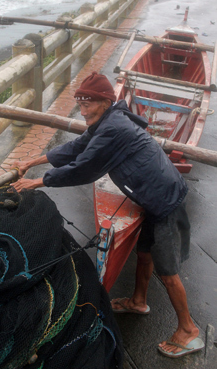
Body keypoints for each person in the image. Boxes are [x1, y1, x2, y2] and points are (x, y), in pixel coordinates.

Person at [12, 71, 204, 359]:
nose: (82, 109)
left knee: (168, 271)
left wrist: (38, 181)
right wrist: (33, 160)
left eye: (87, 103)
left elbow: (85, 167)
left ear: (105, 102)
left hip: (164, 201)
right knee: (144, 254)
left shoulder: (114, 128)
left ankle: (189, 330)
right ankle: (139, 301)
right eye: (79, 103)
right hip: (150, 198)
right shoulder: (106, 120)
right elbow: (75, 148)